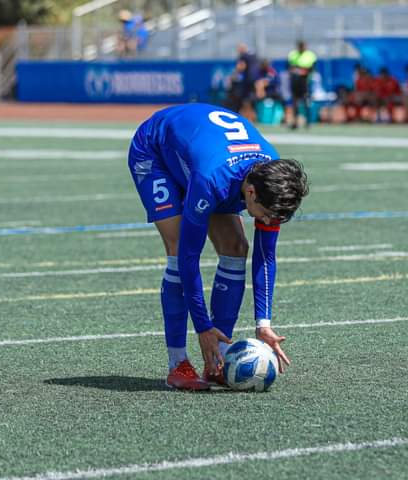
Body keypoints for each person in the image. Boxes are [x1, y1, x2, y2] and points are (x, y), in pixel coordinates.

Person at [127, 103, 309, 390]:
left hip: (203, 157)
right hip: (156, 151)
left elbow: (265, 254)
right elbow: (190, 258)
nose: (267, 221)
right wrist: (202, 327)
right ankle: (178, 365)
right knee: (177, 249)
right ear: (250, 192)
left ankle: (218, 362)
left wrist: (263, 322)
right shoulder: (213, 180)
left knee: (237, 247)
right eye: (264, 214)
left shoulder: (271, 178)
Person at [287, 40, 317, 129]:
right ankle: (295, 122)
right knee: (295, 104)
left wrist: (303, 71)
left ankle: (308, 122)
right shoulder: (293, 55)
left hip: (305, 83)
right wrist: (296, 71)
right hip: (295, 83)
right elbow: (289, 67)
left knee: (306, 103)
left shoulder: (310, 55)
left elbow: (312, 68)